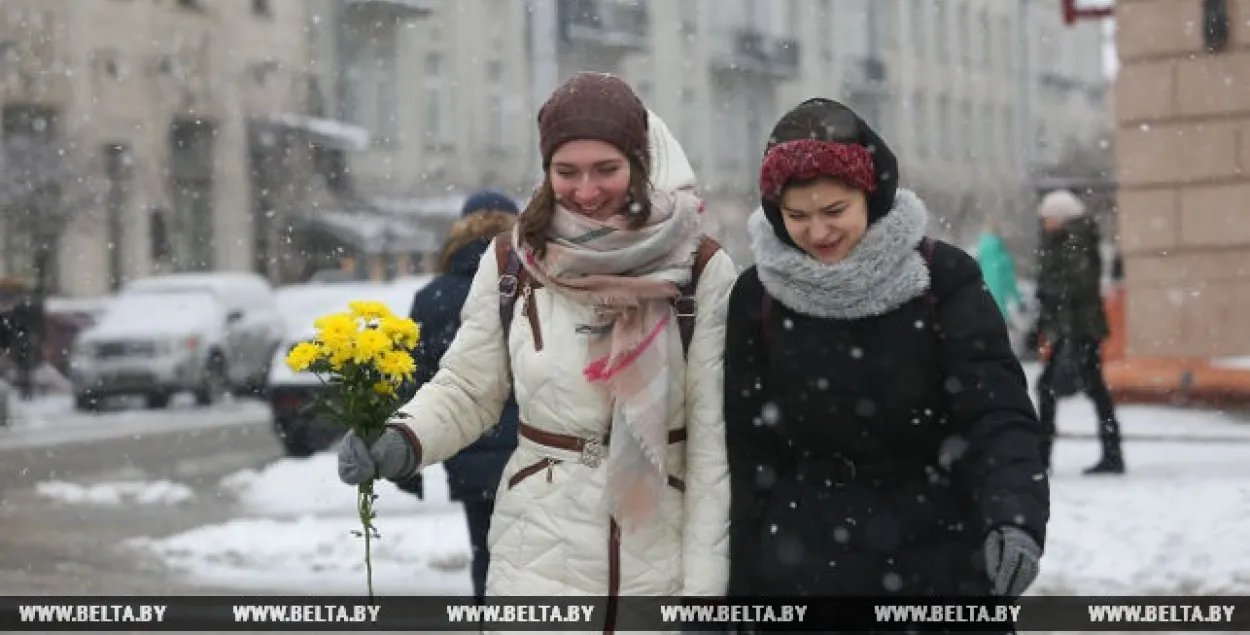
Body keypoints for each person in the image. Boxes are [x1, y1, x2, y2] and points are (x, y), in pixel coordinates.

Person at [336, 72, 736, 623]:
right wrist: (404, 437)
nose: (586, 191)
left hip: (659, 550)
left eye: (607, 170)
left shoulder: (701, 267)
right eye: (566, 172)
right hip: (537, 550)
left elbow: (712, 449)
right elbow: (468, 388)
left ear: (640, 163)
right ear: (546, 172)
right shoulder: (512, 263)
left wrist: (703, 599)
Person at [723, 98, 1049, 605]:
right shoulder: (758, 295)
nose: (818, 232)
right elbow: (746, 453)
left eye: (835, 210)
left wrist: (1015, 516)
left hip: (939, 565)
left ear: (871, 195)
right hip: (801, 570)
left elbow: (996, 414)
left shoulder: (942, 280)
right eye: (796, 216)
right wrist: (739, 592)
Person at [394, 189, 522, 604]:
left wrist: (408, 455)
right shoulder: (533, 283)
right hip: (533, 450)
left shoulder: (432, 296)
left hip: (468, 449)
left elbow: (415, 379)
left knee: (486, 555)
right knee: (536, 562)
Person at [1034, 189, 1124, 475]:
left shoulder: (1076, 241)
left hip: (1078, 330)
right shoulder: (1068, 240)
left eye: (1047, 217)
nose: (1044, 223)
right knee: (1092, 390)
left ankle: (1044, 454)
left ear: (1060, 217)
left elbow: (1076, 286)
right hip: (1075, 329)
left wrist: (1048, 295)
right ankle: (1110, 452)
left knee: (1050, 388)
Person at [976, 221, 1022, 321]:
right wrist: (1019, 301)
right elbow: (1010, 281)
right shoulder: (1001, 252)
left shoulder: (981, 249)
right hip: (1000, 310)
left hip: (985, 290)